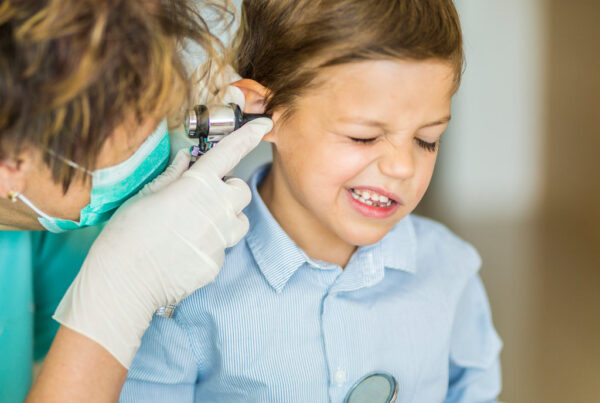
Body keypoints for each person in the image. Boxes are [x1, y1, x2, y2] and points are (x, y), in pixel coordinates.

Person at [120, 0, 503, 401]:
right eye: (364, 136)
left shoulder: (449, 271)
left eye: (427, 140)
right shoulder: (188, 288)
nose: (403, 166)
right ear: (263, 112)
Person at [0, 0, 272, 401]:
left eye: (159, 109)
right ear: (10, 162)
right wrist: (118, 296)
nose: (155, 143)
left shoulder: (35, 225)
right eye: (129, 137)